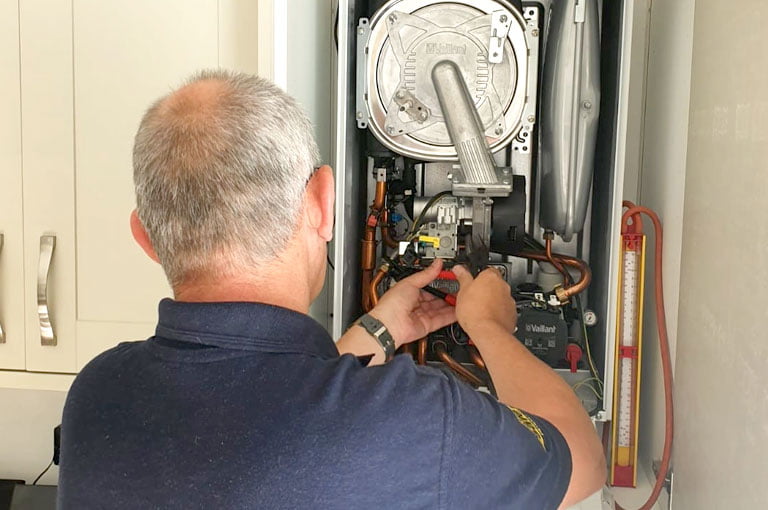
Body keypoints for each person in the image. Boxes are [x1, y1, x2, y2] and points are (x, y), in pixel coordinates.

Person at [58, 70, 605, 509]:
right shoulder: (418, 422)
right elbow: (581, 462)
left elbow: (272, 417)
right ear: (323, 200)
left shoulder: (100, 396)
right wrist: (489, 327)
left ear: (145, 237)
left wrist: (380, 332)